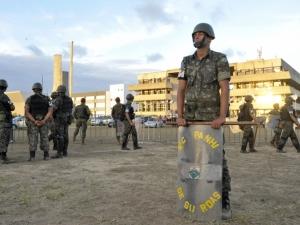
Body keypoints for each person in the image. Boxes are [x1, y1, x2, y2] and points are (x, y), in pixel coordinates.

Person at [176, 23, 231, 219]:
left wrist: (222, 116)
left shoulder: (219, 59)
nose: (196, 36)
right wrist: (180, 115)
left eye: (200, 34)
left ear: (209, 38)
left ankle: (223, 200)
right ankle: (192, 195)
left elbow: (224, 88)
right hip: (190, 120)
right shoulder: (185, 61)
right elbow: (181, 90)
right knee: (191, 160)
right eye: (194, 34)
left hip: (211, 121)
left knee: (216, 161)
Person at [25, 82, 53, 161]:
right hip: (44, 122)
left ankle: (32, 157)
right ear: (41, 89)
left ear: (33, 89)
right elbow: (50, 111)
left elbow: (27, 112)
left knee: (33, 138)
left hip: (33, 122)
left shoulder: (29, 99)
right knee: (45, 138)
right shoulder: (47, 99)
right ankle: (46, 156)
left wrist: (34, 121)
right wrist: (44, 120)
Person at [51, 85, 73, 158]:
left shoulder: (58, 99)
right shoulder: (69, 99)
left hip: (59, 120)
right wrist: (69, 119)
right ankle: (65, 152)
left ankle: (59, 153)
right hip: (66, 119)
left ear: (58, 91)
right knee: (65, 136)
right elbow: (70, 110)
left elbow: (53, 109)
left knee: (59, 136)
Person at [0, 79, 15, 163]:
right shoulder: (4, 96)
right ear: (5, 87)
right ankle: (3, 156)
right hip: (4, 121)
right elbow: (12, 107)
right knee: (4, 138)